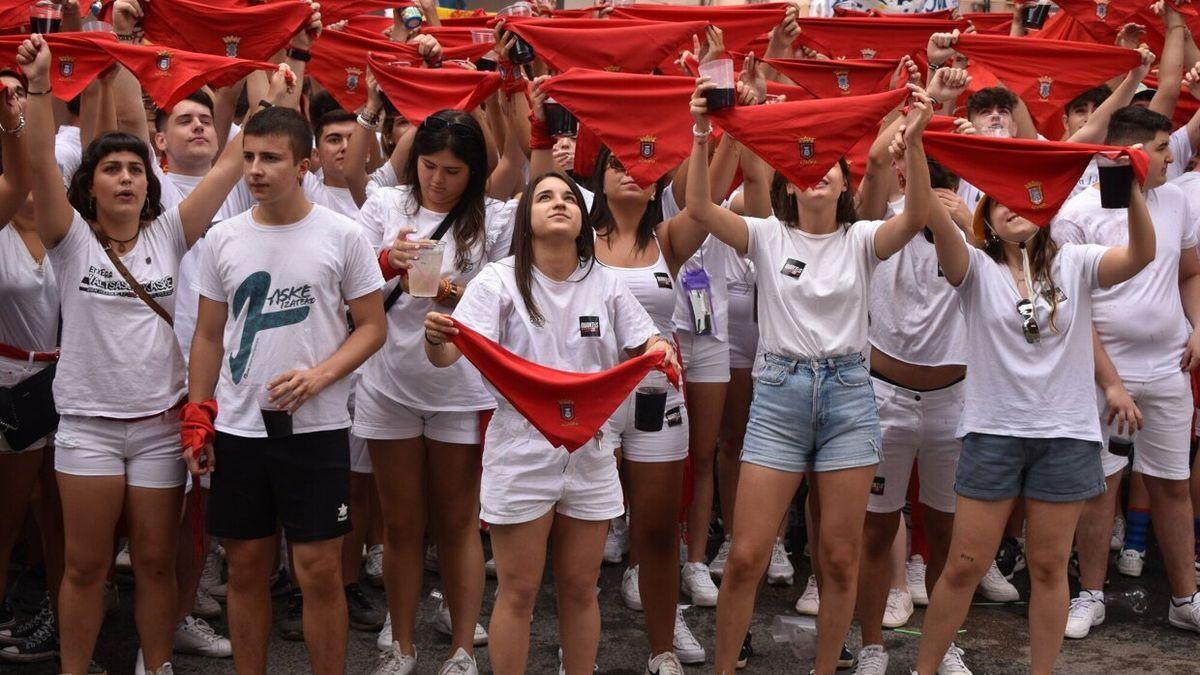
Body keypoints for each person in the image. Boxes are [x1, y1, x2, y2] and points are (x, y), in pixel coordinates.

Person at [14, 32, 252, 675]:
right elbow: (38, 161)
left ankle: (158, 664)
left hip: (156, 429)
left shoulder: (172, 232)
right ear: (89, 188)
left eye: (134, 169)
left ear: (150, 184)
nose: (124, 178)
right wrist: (40, 87)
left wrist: (266, 90)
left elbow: (233, 162)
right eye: (111, 169)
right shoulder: (69, 240)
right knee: (86, 566)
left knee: (153, 563)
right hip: (87, 429)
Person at [686, 72, 935, 673]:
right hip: (779, 395)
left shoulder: (863, 238)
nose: (818, 171)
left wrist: (918, 139)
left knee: (839, 557)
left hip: (850, 397)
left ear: (847, 183)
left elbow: (919, 213)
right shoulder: (766, 235)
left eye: (831, 166)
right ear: (787, 186)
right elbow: (697, 207)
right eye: (805, 166)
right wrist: (702, 131)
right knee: (745, 556)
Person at [422, 170, 679, 675]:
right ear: (527, 218)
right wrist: (434, 337)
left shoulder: (604, 281)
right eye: (544, 197)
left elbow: (646, 340)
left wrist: (659, 348)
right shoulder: (498, 279)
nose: (558, 203)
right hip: (520, 446)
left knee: (581, 588)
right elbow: (449, 355)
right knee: (518, 590)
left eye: (568, 197)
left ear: (583, 217)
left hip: (592, 447)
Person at [914, 158, 1156, 674]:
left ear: (1042, 210)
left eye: (1020, 200)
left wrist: (1131, 188)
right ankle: (924, 669)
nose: (1008, 210)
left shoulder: (1076, 261)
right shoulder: (975, 269)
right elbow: (934, 215)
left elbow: (1141, 254)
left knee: (1048, 567)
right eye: (996, 204)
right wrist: (915, 146)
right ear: (985, 221)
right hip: (992, 433)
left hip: (1065, 435)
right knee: (963, 565)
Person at [186, 105, 387, 675]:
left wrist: (321, 375)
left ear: (304, 165)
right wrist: (198, 414)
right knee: (246, 569)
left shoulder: (343, 235)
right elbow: (206, 335)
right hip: (240, 428)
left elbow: (373, 326)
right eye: (248, 156)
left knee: (320, 570)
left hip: (316, 427)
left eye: (270, 158)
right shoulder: (222, 238)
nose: (254, 169)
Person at [355, 108, 515, 675]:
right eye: (428, 165)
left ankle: (462, 651)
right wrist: (385, 260)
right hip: (388, 382)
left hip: (461, 387)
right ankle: (402, 646)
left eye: (453, 170)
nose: (438, 180)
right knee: (400, 525)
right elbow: (348, 281)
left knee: (457, 523)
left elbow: (504, 294)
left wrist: (458, 292)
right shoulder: (385, 206)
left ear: (474, 171)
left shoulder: (492, 219)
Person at [1054, 105, 1200, 640]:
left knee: (1173, 484)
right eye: (1162, 147)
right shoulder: (1077, 212)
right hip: (1098, 375)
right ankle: (1089, 595)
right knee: (1099, 487)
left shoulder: (1179, 200)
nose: (1171, 156)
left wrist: (1198, 325)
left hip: (1168, 368)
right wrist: (1110, 380)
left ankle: (1185, 599)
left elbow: (1190, 271)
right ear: (1131, 153)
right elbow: (1072, 309)